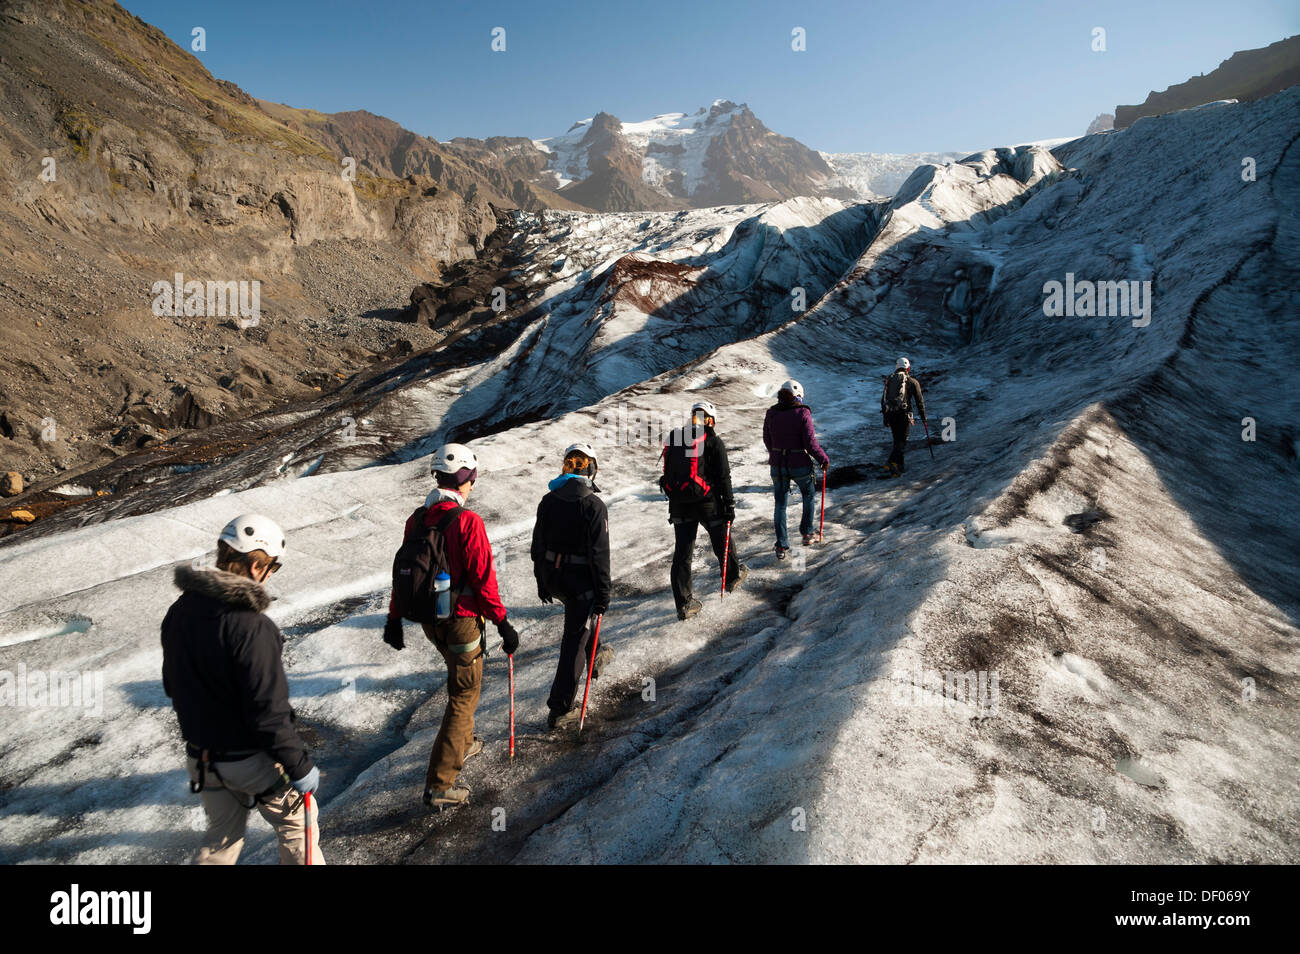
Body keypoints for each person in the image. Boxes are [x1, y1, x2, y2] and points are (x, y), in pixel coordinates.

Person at [161, 513, 324, 865]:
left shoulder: (181, 610)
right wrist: (298, 765)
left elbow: (172, 685)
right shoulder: (252, 627)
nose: (270, 577)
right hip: (248, 761)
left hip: (201, 757)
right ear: (255, 567)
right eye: (272, 568)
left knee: (221, 841)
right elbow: (269, 712)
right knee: (300, 826)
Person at [382, 443, 519, 812]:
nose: (473, 485)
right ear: (464, 479)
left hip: (431, 621)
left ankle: (466, 740)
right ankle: (440, 785)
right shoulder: (467, 522)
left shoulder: (417, 519)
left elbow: (403, 574)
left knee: (458, 678)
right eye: (471, 478)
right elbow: (483, 579)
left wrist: (394, 617)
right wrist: (503, 622)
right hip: (461, 622)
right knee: (463, 695)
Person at [532, 442, 613, 729]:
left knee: (581, 619)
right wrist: (604, 593)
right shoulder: (593, 505)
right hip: (582, 584)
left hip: (555, 578)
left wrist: (542, 581)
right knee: (574, 641)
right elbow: (599, 555)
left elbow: (538, 546)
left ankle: (598, 653)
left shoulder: (548, 500)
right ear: (591, 469)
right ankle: (561, 707)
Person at [661, 400, 747, 621]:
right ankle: (732, 576)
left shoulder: (677, 439)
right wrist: (729, 504)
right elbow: (723, 475)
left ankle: (684, 604)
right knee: (721, 538)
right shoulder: (713, 441)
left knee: (683, 554)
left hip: (679, 503)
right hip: (707, 502)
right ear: (711, 419)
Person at [763, 379, 830, 557]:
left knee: (780, 505)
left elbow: (767, 438)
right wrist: (822, 459)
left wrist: (776, 453)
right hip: (799, 462)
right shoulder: (802, 413)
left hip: (777, 465)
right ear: (798, 396)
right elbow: (810, 443)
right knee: (808, 496)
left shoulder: (771, 413)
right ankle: (808, 533)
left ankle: (781, 545)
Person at [881, 357, 926, 476]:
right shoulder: (912, 382)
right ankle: (891, 463)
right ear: (908, 368)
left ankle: (899, 466)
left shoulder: (889, 380)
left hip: (891, 413)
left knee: (897, 440)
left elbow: (883, 399)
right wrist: (923, 417)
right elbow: (919, 402)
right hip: (904, 414)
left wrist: (885, 417)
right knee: (902, 441)